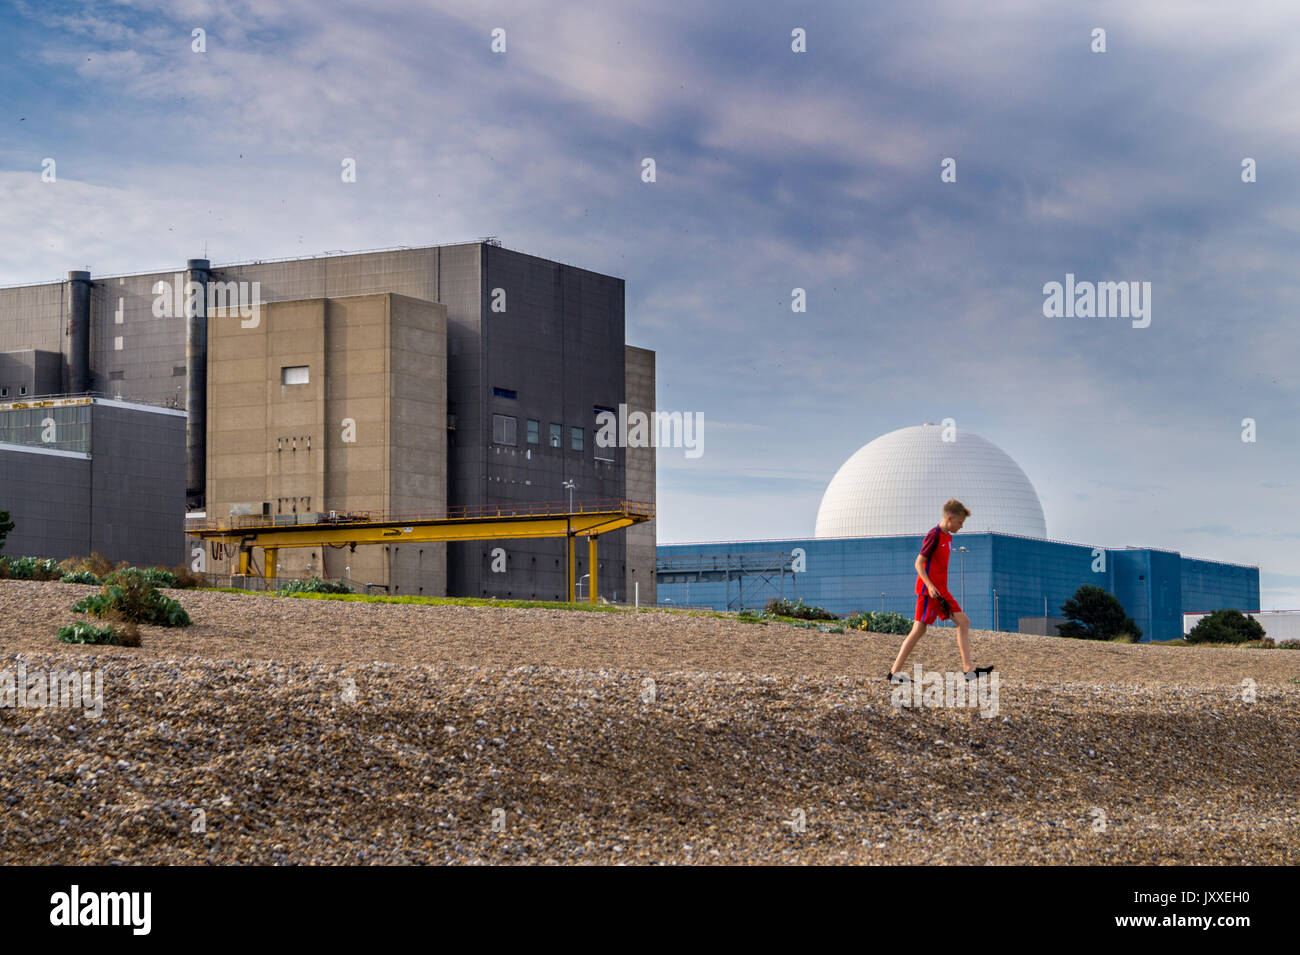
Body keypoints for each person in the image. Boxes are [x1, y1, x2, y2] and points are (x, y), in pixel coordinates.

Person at [888, 498, 994, 682]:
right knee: (920, 630)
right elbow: (918, 563)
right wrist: (929, 586)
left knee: (961, 622)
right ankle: (894, 673)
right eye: (960, 522)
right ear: (950, 517)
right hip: (930, 592)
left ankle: (969, 669)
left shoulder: (949, 537)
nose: (961, 526)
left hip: (942, 591)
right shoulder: (934, 535)